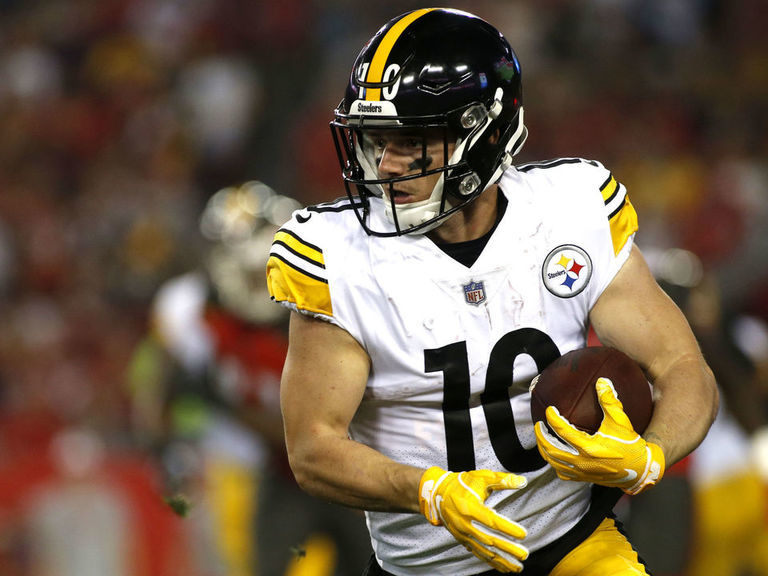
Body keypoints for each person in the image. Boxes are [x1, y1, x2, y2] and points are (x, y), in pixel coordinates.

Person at [266, 8, 718, 576]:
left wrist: (649, 456)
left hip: (571, 546)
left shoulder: (568, 211)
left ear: (484, 134)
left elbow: (683, 368)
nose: (385, 163)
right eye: (375, 140)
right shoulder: (337, 256)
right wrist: (425, 491)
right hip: (426, 569)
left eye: (411, 142)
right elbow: (312, 449)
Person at [128, 181, 371, 576]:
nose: (257, 281)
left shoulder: (334, 303)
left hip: (357, 467)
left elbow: (309, 431)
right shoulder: (194, 309)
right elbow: (161, 375)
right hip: (278, 473)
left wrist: (227, 404)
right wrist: (160, 442)